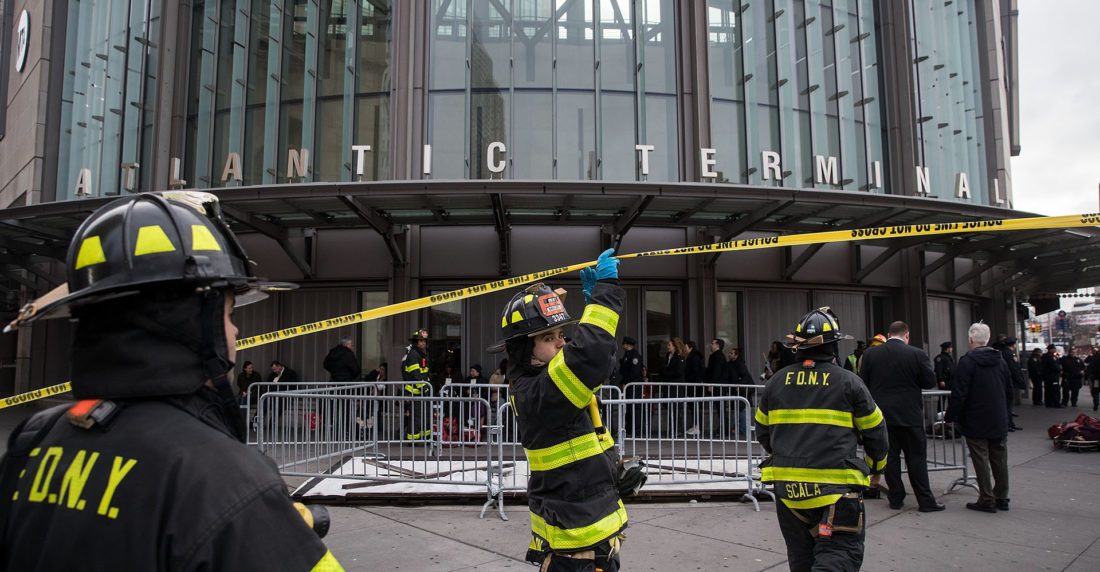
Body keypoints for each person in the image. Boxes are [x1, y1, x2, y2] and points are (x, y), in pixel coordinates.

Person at [0, 192, 341, 569]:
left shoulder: (35, 438)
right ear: (195, 323)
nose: (236, 330)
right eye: (227, 313)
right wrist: (266, 522)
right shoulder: (225, 480)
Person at [489, 248, 630, 571]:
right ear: (525, 349)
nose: (561, 343)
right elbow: (589, 359)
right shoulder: (540, 391)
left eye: (562, 334)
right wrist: (604, 296)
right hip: (574, 551)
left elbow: (601, 362)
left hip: (590, 537)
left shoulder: (547, 381)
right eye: (549, 337)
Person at [756, 307, 889, 572]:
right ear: (834, 345)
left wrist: (789, 452)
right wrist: (876, 469)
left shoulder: (776, 382)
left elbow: (763, 432)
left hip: (789, 494)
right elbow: (876, 432)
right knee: (839, 556)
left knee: (801, 560)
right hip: (836, 493)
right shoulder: (849, 383)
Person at [860, 321, 944, 512]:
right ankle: (925, 500)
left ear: (889, 334)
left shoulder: (871, 354)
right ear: (907, 336)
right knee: (916, 458)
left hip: (882, 415)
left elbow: (863, 383)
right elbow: (929, 381)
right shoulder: (916, 354)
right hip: (910, 415)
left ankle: (896, 498)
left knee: (890, 458)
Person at [944, 323, 1012, 513]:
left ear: (971, 339)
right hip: (998, 416)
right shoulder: (1001, 360)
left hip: (975, 417)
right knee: (999, 457)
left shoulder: (967, 361)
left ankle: (986, 497)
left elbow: (959, 392)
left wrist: (951, 416)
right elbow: (1008, 389)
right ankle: (1002, 496)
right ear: (988, 339)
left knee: (980, 457)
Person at [402, 329, 432, 440]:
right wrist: (424, 388)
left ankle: (426, 438)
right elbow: (415, 374)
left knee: (426, 416)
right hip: (416, 392)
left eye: (424, 341)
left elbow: (425, 373)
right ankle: (413, 440)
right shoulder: (413, 355)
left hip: (424, 391)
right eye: (420, 341)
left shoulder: (422, 354)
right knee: (417, 417)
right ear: (416, 342)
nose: (423, 343)